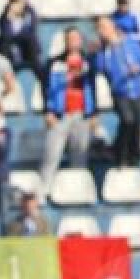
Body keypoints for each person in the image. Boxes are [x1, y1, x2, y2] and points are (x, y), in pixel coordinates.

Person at [41, 27, 97, 194]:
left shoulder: (88, 62)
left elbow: (93, 88)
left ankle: (77, 192)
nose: (73, 41)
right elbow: (45, 88)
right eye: (69, 38)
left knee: (80, 156)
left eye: (76, 38)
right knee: (51, 154)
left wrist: (94, 112)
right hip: (60, 115)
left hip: (82, 114)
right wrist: (47, 110)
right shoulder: (54, 63)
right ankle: (44, 191)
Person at [93, 15, 140, 168]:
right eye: (99, 28)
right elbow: (100, 69)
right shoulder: (103, 51)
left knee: (138, 123)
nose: (102, 31)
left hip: (137, 91)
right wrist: (100, 50)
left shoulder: (130, 43)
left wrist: (138, 68)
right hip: (120, 92)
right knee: (127, 120)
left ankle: (134, 158)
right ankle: (120, 154)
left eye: (104, 27)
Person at [0, 0, 41, 77]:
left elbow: (31, 29)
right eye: (12, 0)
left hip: (27, 47)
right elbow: (5, 33)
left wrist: (23, 11)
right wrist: (10, 16)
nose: (14, 2)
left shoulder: (29, 12)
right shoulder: (5, 14)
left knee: (31, 41)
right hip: (11, 46)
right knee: (3, 44)